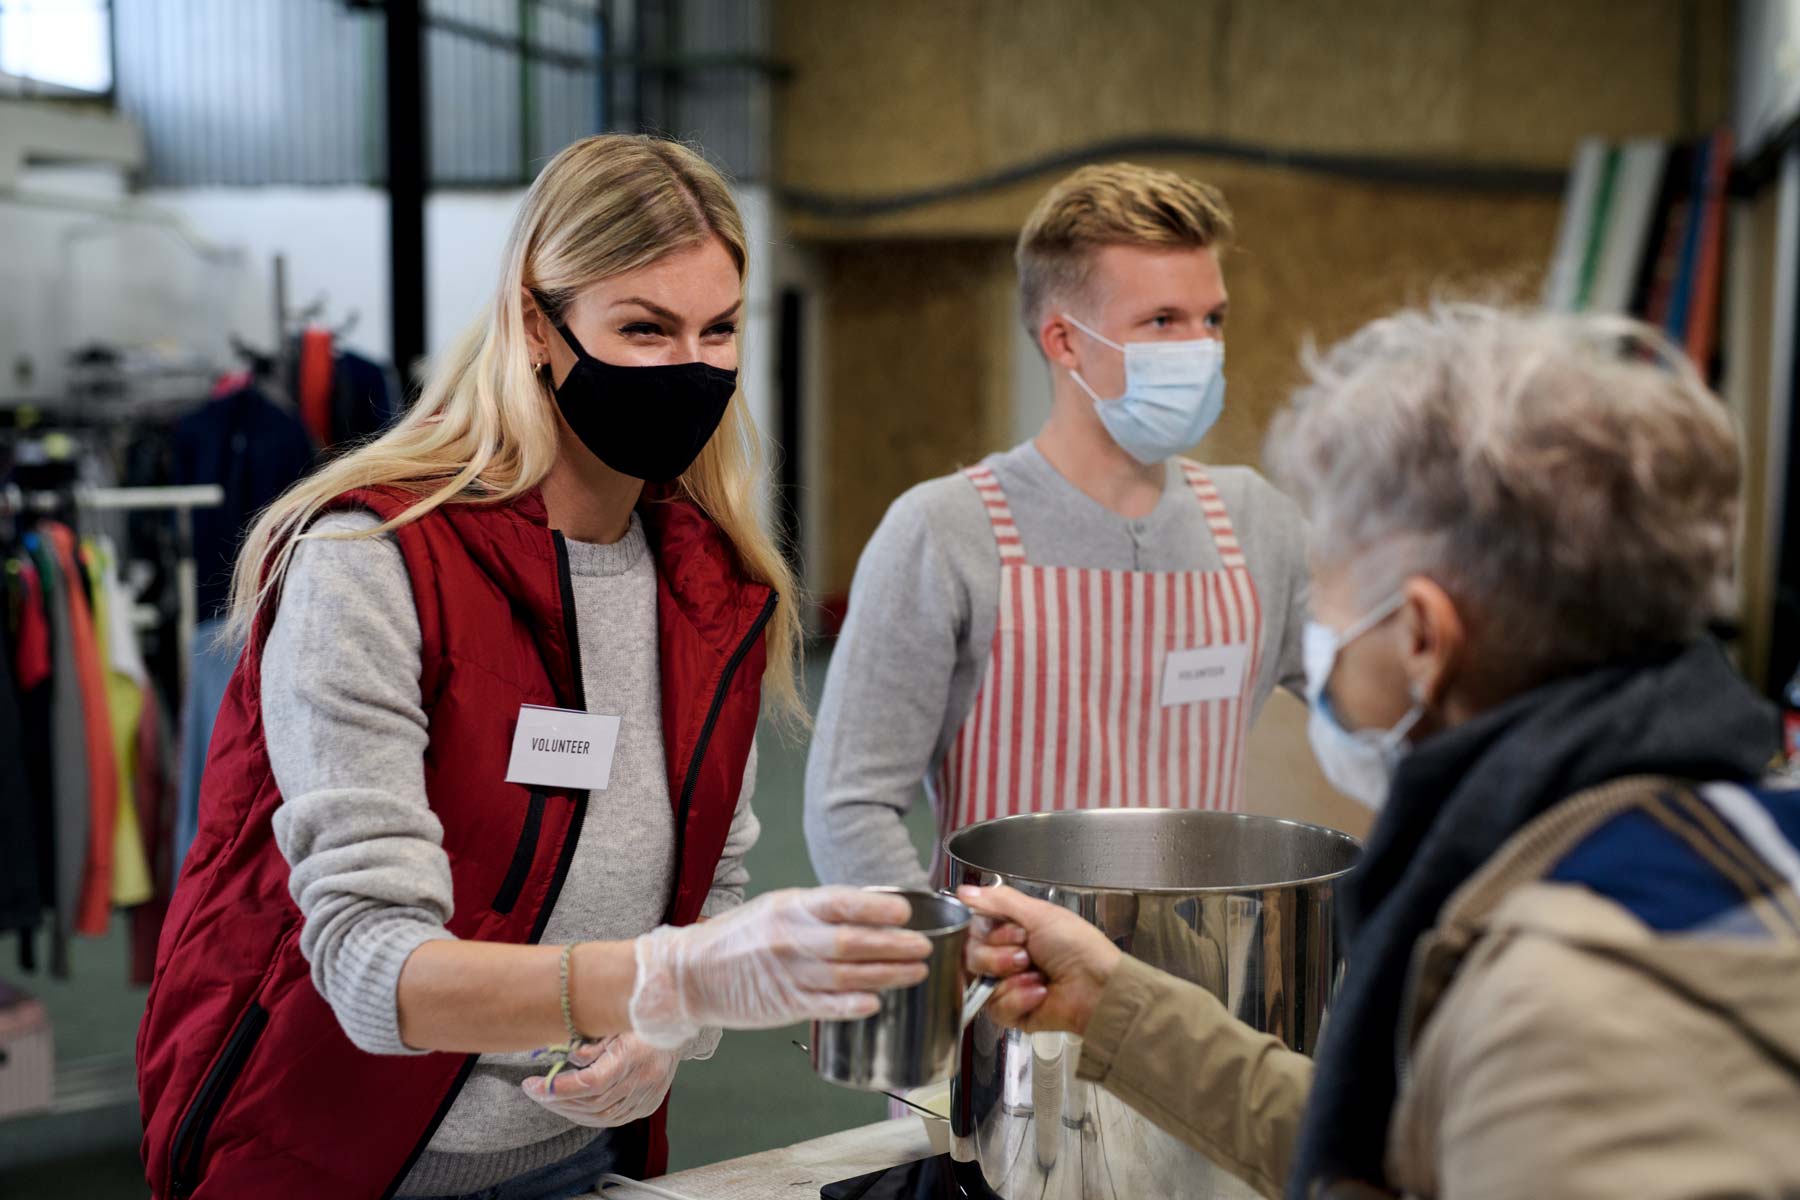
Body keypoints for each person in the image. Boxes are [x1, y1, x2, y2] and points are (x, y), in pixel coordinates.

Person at [136, 135, 933, 1200]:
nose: (689, 365)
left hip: (579, 1160)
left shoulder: (717, 593)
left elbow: (709, 887)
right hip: (332, 1164)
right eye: (643, 329)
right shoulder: (371, 562)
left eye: (718, 329)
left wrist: (666, 1029)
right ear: (534, 328)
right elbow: (374, 970)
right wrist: (668, 978)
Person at [963, 305, 1800, 1199]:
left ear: (1424, 639)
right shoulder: (1710, 825)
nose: (1318, 642)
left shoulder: (1560, 1006)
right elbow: (1416, 1145)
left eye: (1326, 604)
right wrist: (1113, 1004)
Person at [806, 163, 1310, 888]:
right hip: (1006, 982)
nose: (1201, 348)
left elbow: (1376, 698)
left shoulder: (1257, 522)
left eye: (1213, 319)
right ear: (1064, 342)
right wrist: (950, 960)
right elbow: (848, 809)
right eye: (1163, 321)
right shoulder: (945, 532)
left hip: (1196, 986)